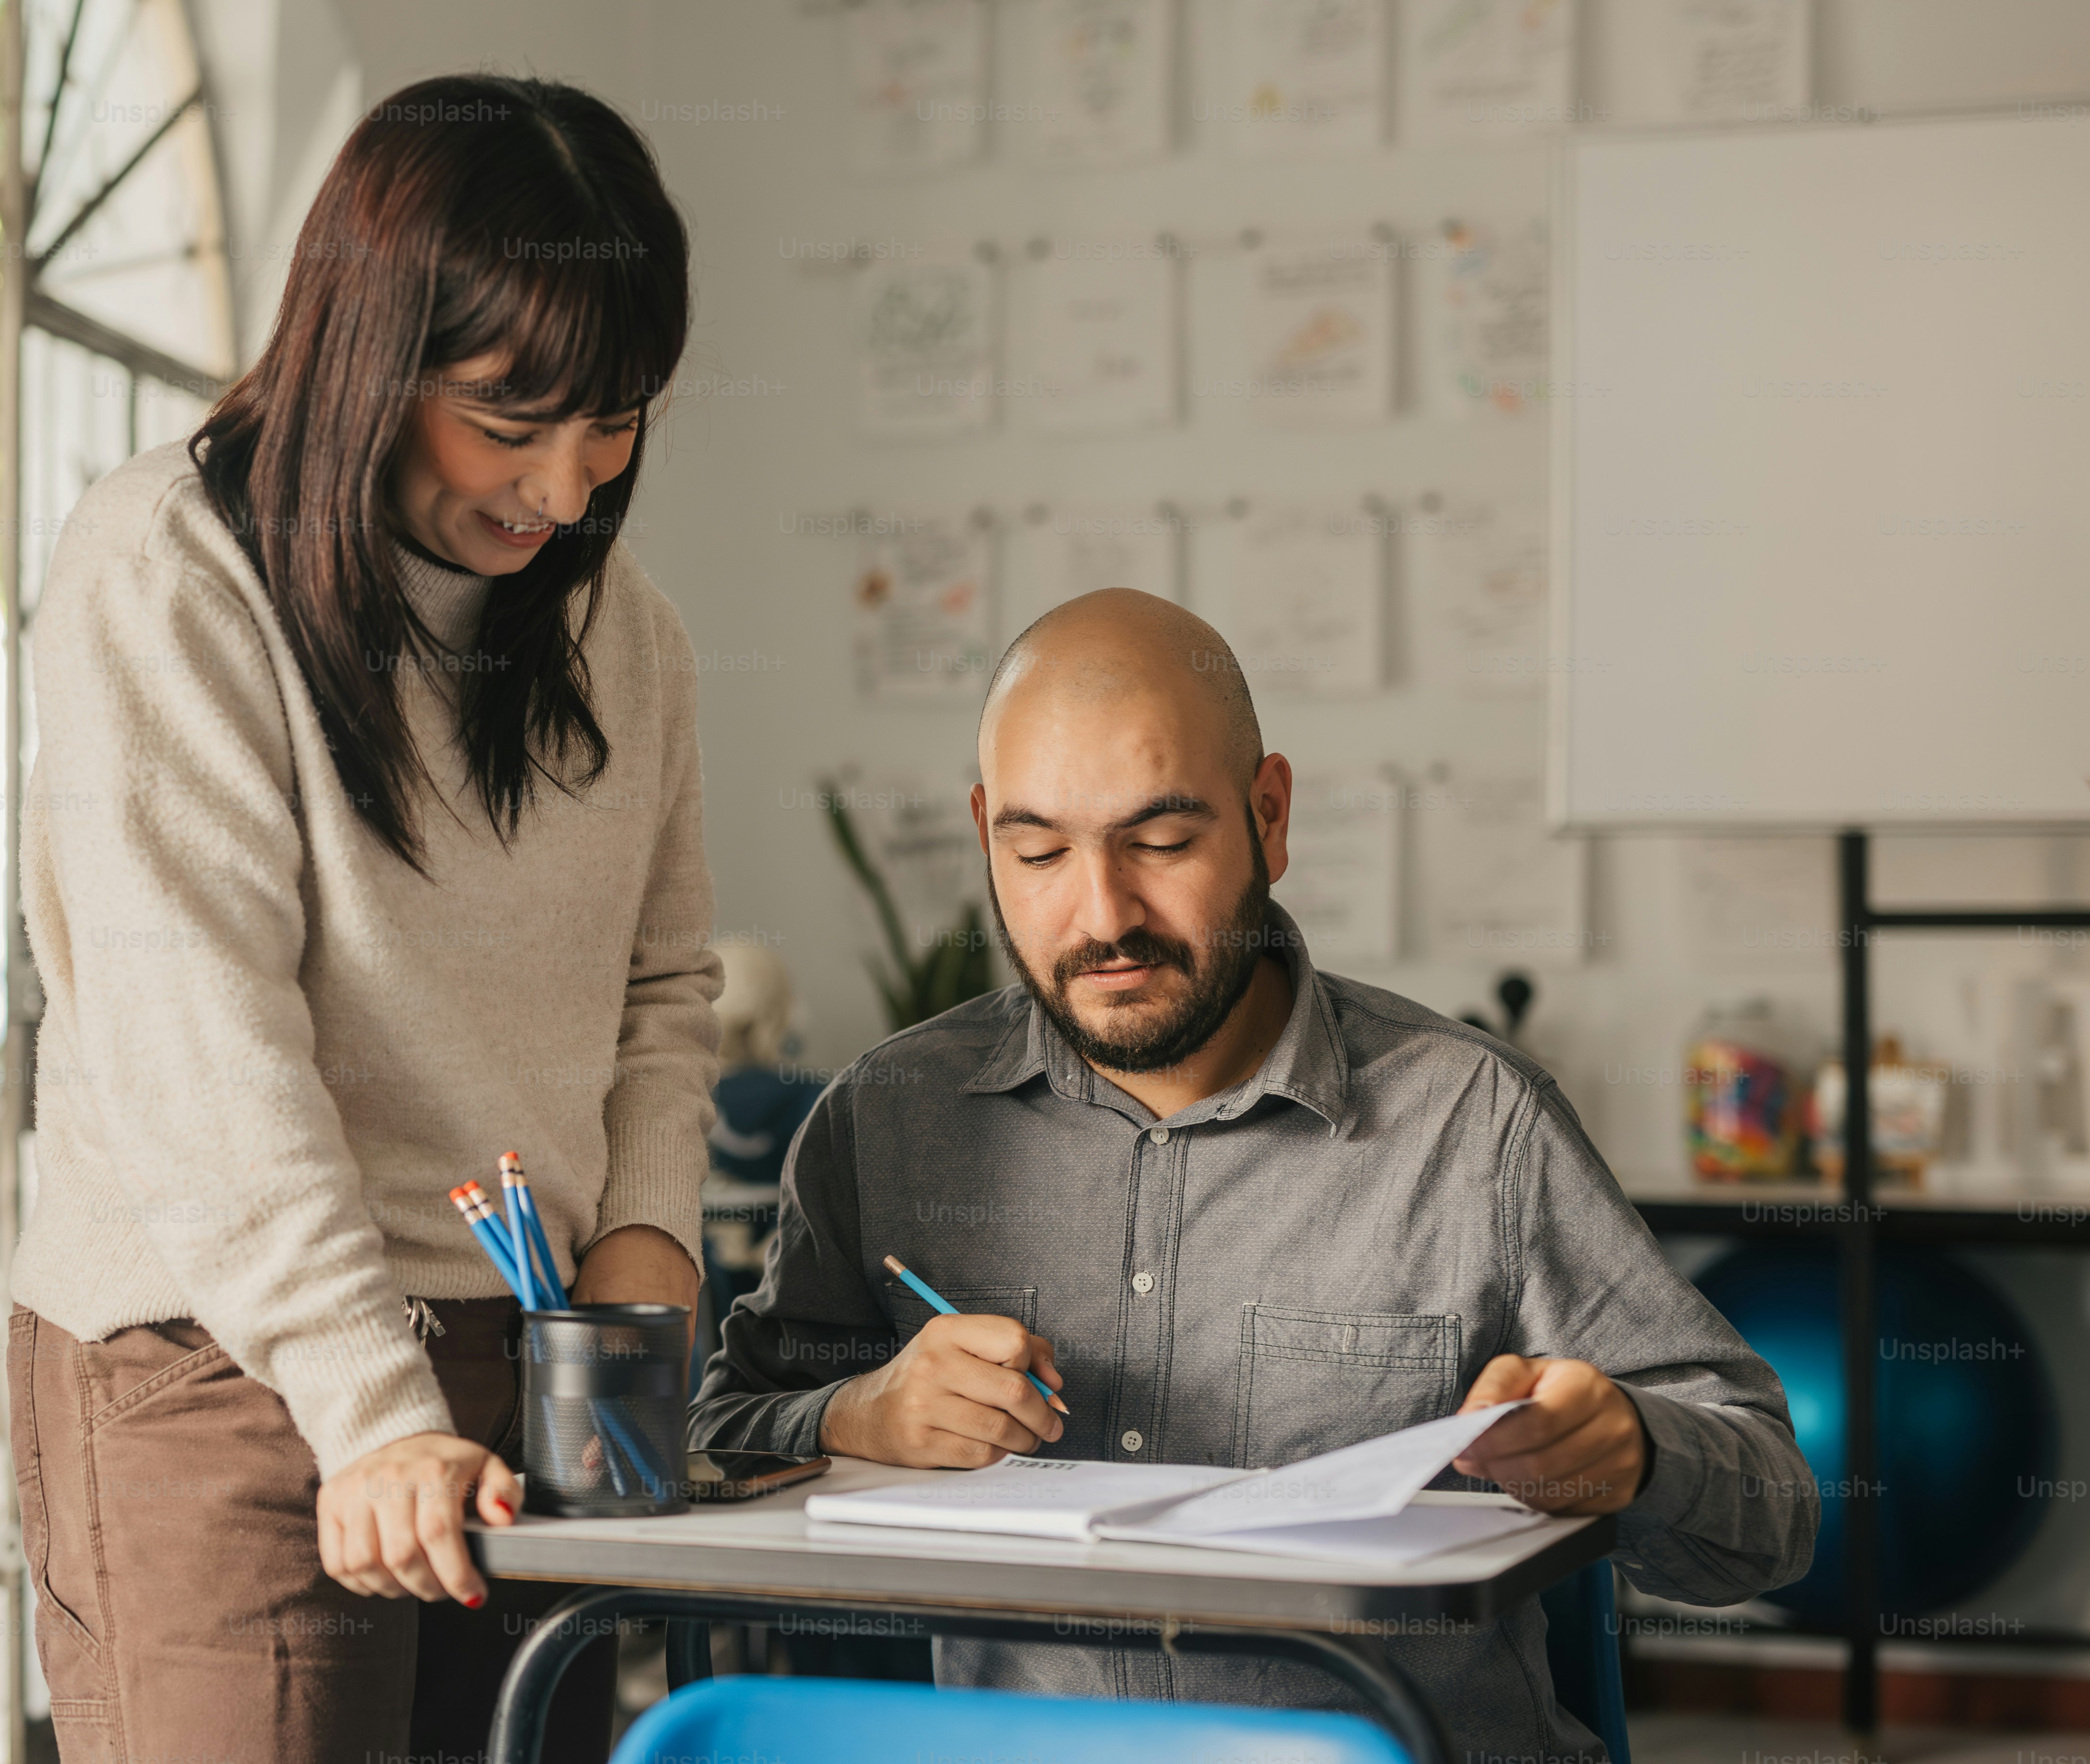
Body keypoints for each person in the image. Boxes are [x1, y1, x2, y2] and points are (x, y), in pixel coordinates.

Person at [691, 589, 1815, 1759]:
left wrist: (1631, 1448)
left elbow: (1768, 1520)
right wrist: (859, 1416)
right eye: (1038, 853)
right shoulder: (887, 1122)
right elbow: (715, 1445)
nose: (1104, 913)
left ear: (1269, 818)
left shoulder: (1474, 1125)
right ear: (986, 836)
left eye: (1163, 843)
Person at [9, 74, 716, 1763]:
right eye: (508, 417)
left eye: (613, 419)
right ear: (370, 352)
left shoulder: (628, 635)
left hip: (531, 1354)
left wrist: (645, 1251)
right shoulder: (168, 570)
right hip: (223, 1362)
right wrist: (375, 1416)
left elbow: (668, 984)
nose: (562, 486)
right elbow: (205, 1047)